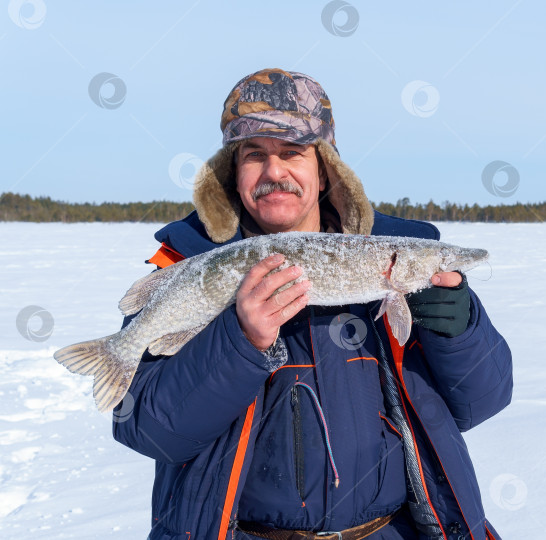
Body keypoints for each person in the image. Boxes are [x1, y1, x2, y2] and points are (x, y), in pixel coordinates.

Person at [113, 68, 513, 540]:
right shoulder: (187, 264)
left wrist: (460, 332)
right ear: (232, 173)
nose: (274, 171)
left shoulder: (398, 258)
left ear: (324, 170)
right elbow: (149, 430)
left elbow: (481, 403)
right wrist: (239, 342)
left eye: (292, 153)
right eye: (254, 155)